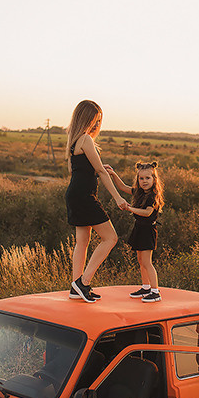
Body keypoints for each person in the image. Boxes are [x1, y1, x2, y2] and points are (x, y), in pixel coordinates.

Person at [65, 100, 127, 303]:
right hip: (84, 196)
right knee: (110, 238)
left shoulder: (74, 141)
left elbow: (77, 170)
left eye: (99, 120)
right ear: (85, 119)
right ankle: (83, 282)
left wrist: (96, 167)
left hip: (76, 194)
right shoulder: (85, 139)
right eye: (94, 120)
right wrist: (118, 197)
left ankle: (76, 288)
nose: (97, 124)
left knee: (82, 242)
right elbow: (99, 171)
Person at [105, 161, 165, 302]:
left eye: (147, 178)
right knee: (141, 260)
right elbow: (122, 187)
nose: (144, 181)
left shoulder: (152, 196)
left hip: (148, 230)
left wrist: (129, 208)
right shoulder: (139, 192)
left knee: (147, 262)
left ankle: (155, 292)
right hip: (139, 229)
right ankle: (146, 287)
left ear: (154, 179)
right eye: (141, 178)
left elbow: (147, 213)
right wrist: (113, 174)